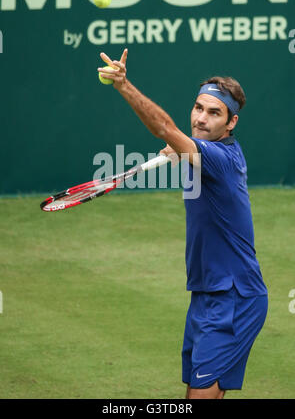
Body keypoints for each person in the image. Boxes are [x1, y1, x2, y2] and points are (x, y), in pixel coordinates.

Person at [97, 49, 268, 400]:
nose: (202, 118)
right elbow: (184, 145)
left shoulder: (218, 159)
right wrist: (183, 151)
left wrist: (124, 85)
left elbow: (163, 127)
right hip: (206, 294)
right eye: (198, 108)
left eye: (215, 113)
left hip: (234, 297)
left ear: (231, 122)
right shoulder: (207, 153)